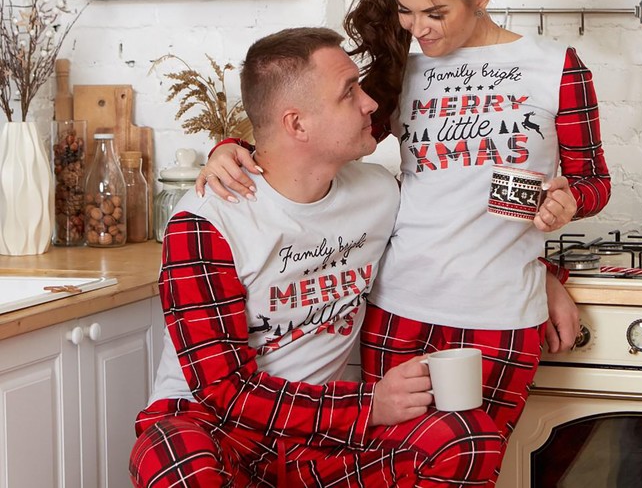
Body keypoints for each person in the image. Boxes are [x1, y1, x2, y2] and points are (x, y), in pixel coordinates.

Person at [198, 0, 611, 484]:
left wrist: (568, 204)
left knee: (470, 465)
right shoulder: (404, 68)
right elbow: (314, 133)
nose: (420, 29)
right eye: (406, 12)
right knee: (391, 470)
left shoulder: (556, 68)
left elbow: (594, 180)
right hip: (399, 310)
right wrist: (230, 147)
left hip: (500, 315)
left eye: (435, 13)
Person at [129, 27, 504, 488]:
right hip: (216, 431)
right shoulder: (207, 222)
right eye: (349, 92)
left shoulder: (379, 193)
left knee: (465, 439)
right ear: (297, 124)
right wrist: (368, 406)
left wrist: (545, 275)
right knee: (173, 460)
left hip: (320, 438)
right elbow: (223, 391)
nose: (370, 103)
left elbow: (459, 234)